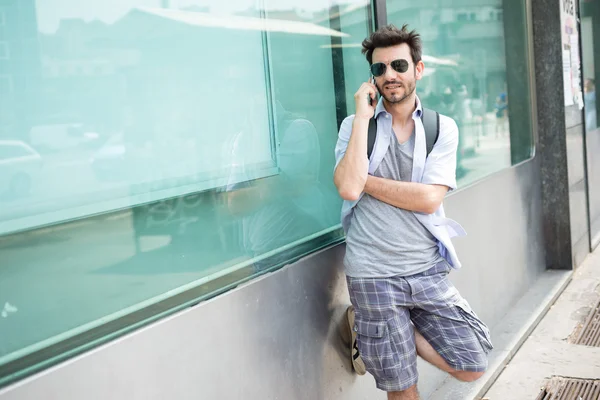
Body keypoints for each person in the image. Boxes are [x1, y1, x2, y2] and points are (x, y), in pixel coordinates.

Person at [333, 25, 493, 400]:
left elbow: (427, 200)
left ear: (417, 70)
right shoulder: (356, 128)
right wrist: (360, 118)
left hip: (426, 270)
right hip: (372, 274)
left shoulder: (441, 128)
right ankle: (379, 327)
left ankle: (377, 329)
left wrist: (366, 181)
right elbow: (346, 187)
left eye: (399, 65)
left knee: (472, 363)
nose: (389, 75)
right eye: (379, 69)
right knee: (402, 389)